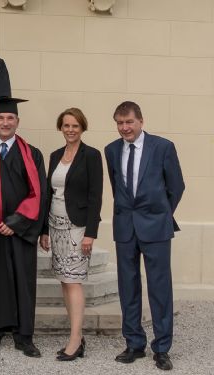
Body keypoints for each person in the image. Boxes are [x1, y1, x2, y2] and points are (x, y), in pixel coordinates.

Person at [105, 101, 184, 371]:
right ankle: (134, 343)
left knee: (160, 287)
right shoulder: (112, 150)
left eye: (129, 122)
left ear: (141, 121)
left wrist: (161, 214)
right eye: (119, 122)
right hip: (125, 227)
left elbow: (176, 186)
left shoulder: (163, 147)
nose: (124, 127)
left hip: (156, 227)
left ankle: (162, 348)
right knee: (128, 286)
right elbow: (118, 187)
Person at [0, 97, 46, 358]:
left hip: (21, 229)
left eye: (10, 118)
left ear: (17, 122)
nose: (5, 122)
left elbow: (39, 193)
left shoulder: (32, 153)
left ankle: (24, 336)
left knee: (23, 283)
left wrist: (16, 222)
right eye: (1, 118)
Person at [39, 108, 103, 361]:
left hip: (78, 227)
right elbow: (48, 193)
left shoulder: (92, 156)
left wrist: (91, 233)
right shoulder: (55, 155)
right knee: (64, 280)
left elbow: (95, 196)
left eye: (75, 126)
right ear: (60, 128)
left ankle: (75, 340)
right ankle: (76, 335)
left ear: (82, 127)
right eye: (66, 125)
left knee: (74, 281)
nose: (70, 130)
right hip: (55, 225)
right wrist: (44, 229)